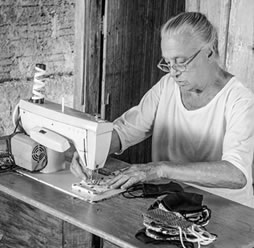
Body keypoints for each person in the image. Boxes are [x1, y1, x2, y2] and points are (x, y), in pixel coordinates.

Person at [71, 12, 254, 208]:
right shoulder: (167, 86)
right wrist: (91, 149)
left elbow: (236, 174)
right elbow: (126, 131)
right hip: (173, 203)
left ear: (209, 52)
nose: (174, 72)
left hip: (229, 213)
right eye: (168, 62)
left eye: (181, 61)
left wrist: (160, 169)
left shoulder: (239, 100)